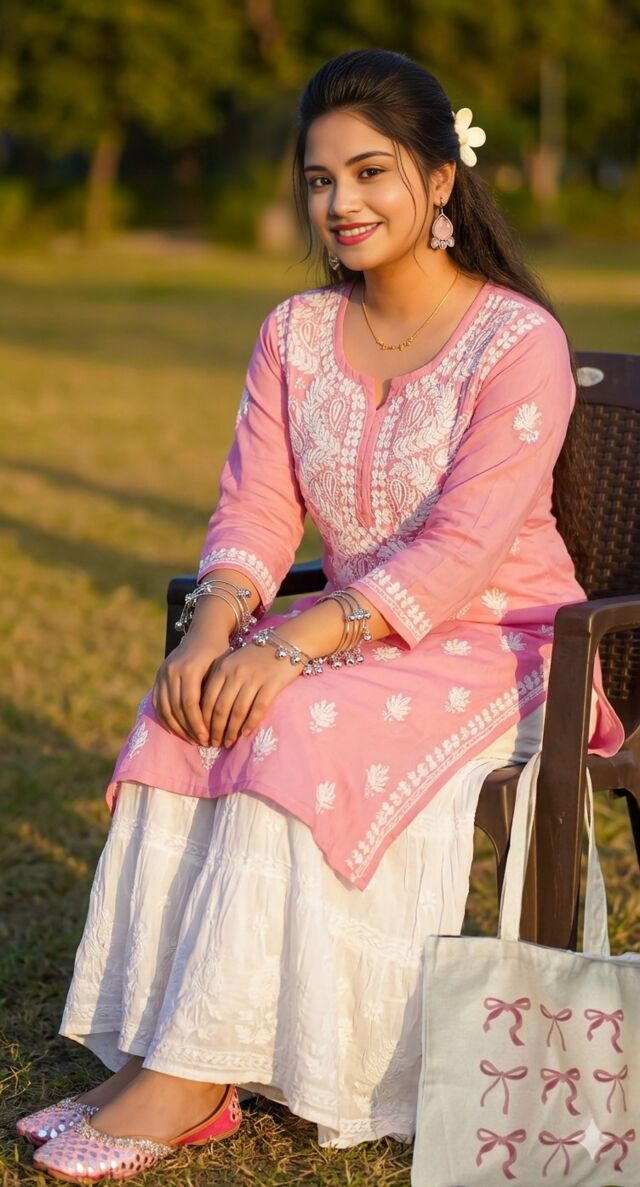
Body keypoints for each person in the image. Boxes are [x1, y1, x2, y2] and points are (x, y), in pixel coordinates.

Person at [19, 48, 624, 1182]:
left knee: (294, 720)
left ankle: (194, 1076)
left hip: (505, 646)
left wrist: (294, 644)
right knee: (186, 708)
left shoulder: (516, 341)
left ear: (438, 180)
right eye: (318, 179)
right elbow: (256, 506)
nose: (341, 202)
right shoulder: (295, 333)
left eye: (370, 172)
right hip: (351, 635)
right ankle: (167, 1048)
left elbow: (462, 550)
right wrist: (213, 629)